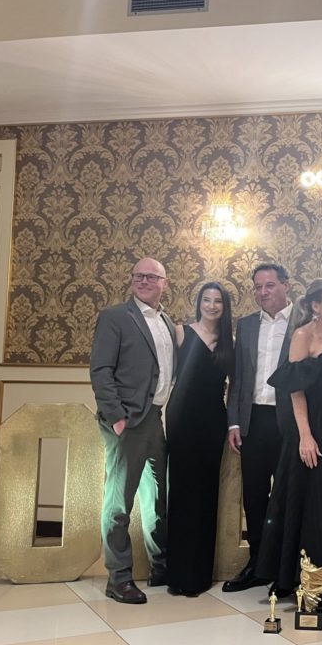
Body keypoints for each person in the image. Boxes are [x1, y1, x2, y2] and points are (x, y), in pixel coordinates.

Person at [255, 278, 322, 595]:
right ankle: (302, 579)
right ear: (316, 305)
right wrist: (305, 436)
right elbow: (295, 391)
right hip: (311, 429)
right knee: (310, 502)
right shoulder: (302, 336)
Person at [89, 257, 177, 604]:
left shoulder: (167, 322)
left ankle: (161, 566)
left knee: (157, 498)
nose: (143, 281)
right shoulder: (115, 317)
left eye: (151, 277)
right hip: (126, 421)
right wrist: (116, 417)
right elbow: (100, 369)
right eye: (138, 276)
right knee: (119, 502)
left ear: (164, 283)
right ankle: (119, 578)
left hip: (154, 419)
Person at [222, 264, 294, 593]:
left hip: (290, 422)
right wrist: (234, 421)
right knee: (253, 496)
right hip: (253, 421)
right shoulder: (247, 324)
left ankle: (286, 567)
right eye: (257, 287)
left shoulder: (303, 322)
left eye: (269, 285)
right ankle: (258, 564)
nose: (262, 292)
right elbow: (237, 377)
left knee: (288, 496)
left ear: (286, 285)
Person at [164, 282, 234, 597]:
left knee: (206, 493)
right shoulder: (181, 332)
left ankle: (198, 577)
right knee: (181, 491)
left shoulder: (230, 341)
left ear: (225, 307)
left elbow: (235, 386)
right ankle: (176, 574)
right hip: (181, 417)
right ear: (199, 303)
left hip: (213, 421)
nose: (211, 305)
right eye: (206, 299)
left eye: (218, 301)